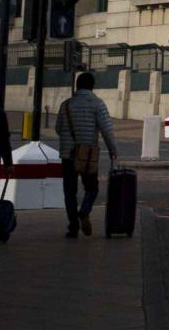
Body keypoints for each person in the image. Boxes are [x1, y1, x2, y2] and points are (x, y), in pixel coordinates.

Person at [56, 71, 120, 239]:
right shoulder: (97, 104)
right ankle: (84, 211)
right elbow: (106, 129)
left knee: (69, 192)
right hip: (87, 155)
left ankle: (73, 227)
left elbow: (58, 129)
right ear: (92, 86)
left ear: (77, 86)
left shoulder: (66, 105)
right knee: (91, 187)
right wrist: (113, 150)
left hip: (67, 154)